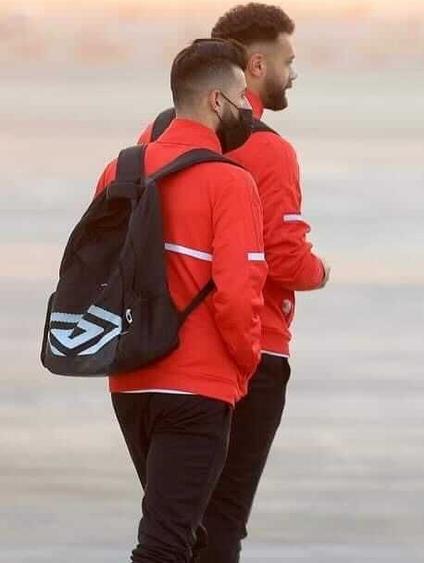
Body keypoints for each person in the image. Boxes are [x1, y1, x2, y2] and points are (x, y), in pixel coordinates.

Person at [136, 5, 330, 561]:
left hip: (152, 353)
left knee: (175, 521)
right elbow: (283, 259)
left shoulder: (152, 136)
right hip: (246, 349)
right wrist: (321, 272)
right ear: (256, 65)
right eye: (288, 62)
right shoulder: (268, 149)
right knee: (221, 519)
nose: (293, 74)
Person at [95, 38, 267, 562]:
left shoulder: (120, 171)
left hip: (129, 380)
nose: (246, 108)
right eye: (241, 96)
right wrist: (246, 363)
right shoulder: (229, 182)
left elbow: (95, 271)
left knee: (183, 531)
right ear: (217, 100)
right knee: (166, 544)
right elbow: (238, 293)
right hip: (197, 385)